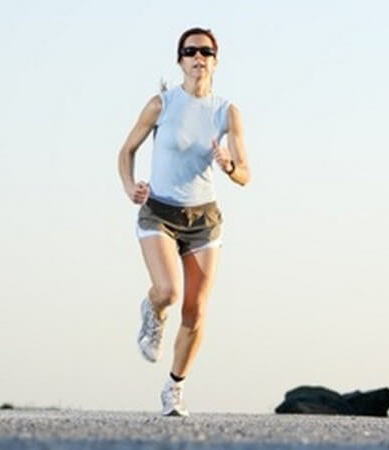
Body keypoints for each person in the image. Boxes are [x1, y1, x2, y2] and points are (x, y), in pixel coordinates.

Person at [117, 27, 250, 417]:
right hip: (159, 211)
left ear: (215, 61)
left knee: (195, 310)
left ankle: (174, 388)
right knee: (168, 291)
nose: (198, 58)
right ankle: (153, 310)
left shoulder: (227, 111)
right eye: (190, 51)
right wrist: (129, 186)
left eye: (206, 52)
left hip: (203, 219)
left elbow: (246, 173)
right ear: (180, 60)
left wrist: (229, 167)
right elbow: (126, 151)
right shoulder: (161, 104)